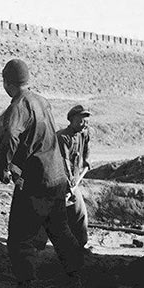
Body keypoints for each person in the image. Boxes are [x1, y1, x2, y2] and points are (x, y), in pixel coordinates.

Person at [0, 59, 85, 288]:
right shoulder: (42, 101)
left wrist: (3, 167)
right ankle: (74, 276)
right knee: (60, 229)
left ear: (7, 83)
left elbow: (12, 135)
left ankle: (26, 287)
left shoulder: (19, 105)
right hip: (57, 176)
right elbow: (39, 137)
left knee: (20, 236)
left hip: (36, 181)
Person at [57, 104, 92, 248]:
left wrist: (87, 161)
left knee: (79, 213)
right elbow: (63, 162)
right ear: (71, 120)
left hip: (73, 182)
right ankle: (37, 245)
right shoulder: (62, 137)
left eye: (86, 120)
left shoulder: (84, 133)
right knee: (51, 213)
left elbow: (85, 156)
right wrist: (69, 181)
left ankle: (81, 244)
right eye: (80, 120)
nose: (84, 124)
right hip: (59, 182)